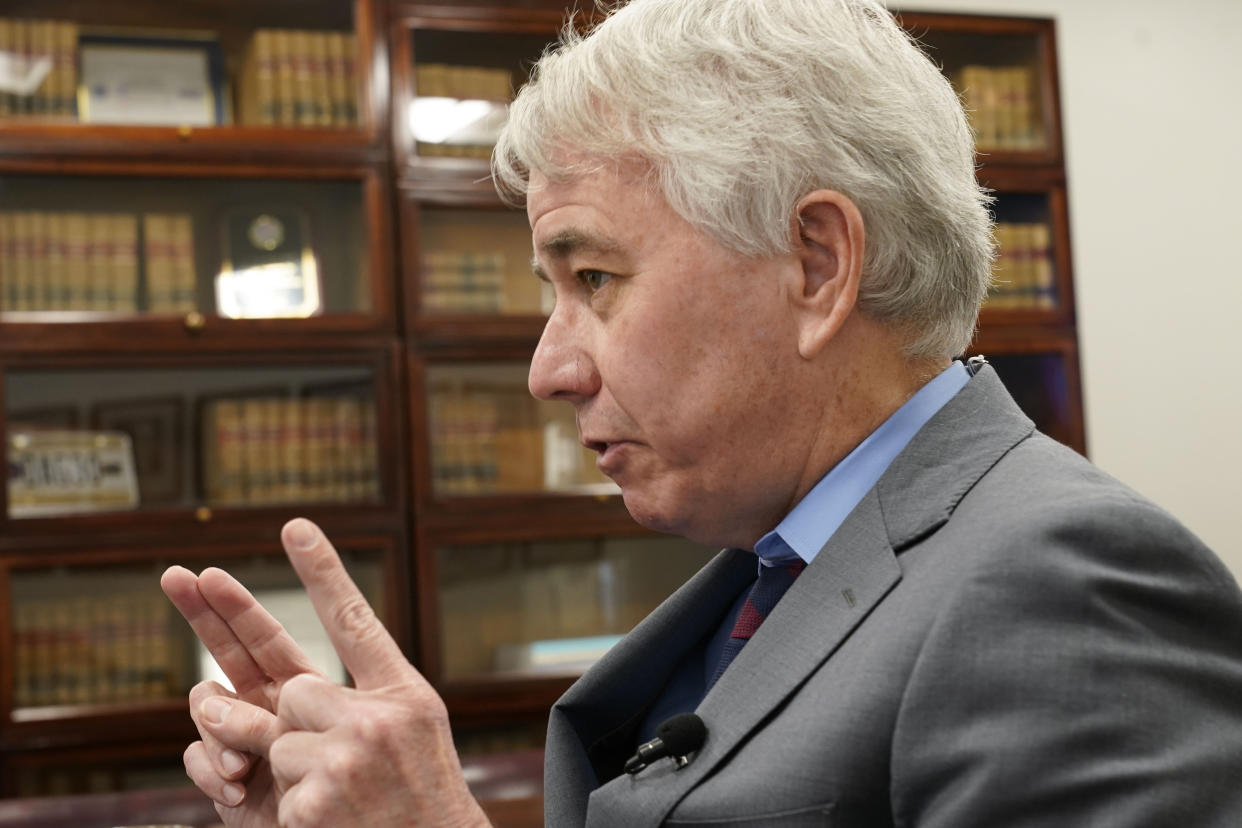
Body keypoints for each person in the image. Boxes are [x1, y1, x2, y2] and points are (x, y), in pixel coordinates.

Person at [161, 0, 1242, 825]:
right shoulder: (775, 569)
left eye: (592, 278)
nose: (547, 369)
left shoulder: (1069, 587)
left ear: (817, 265)